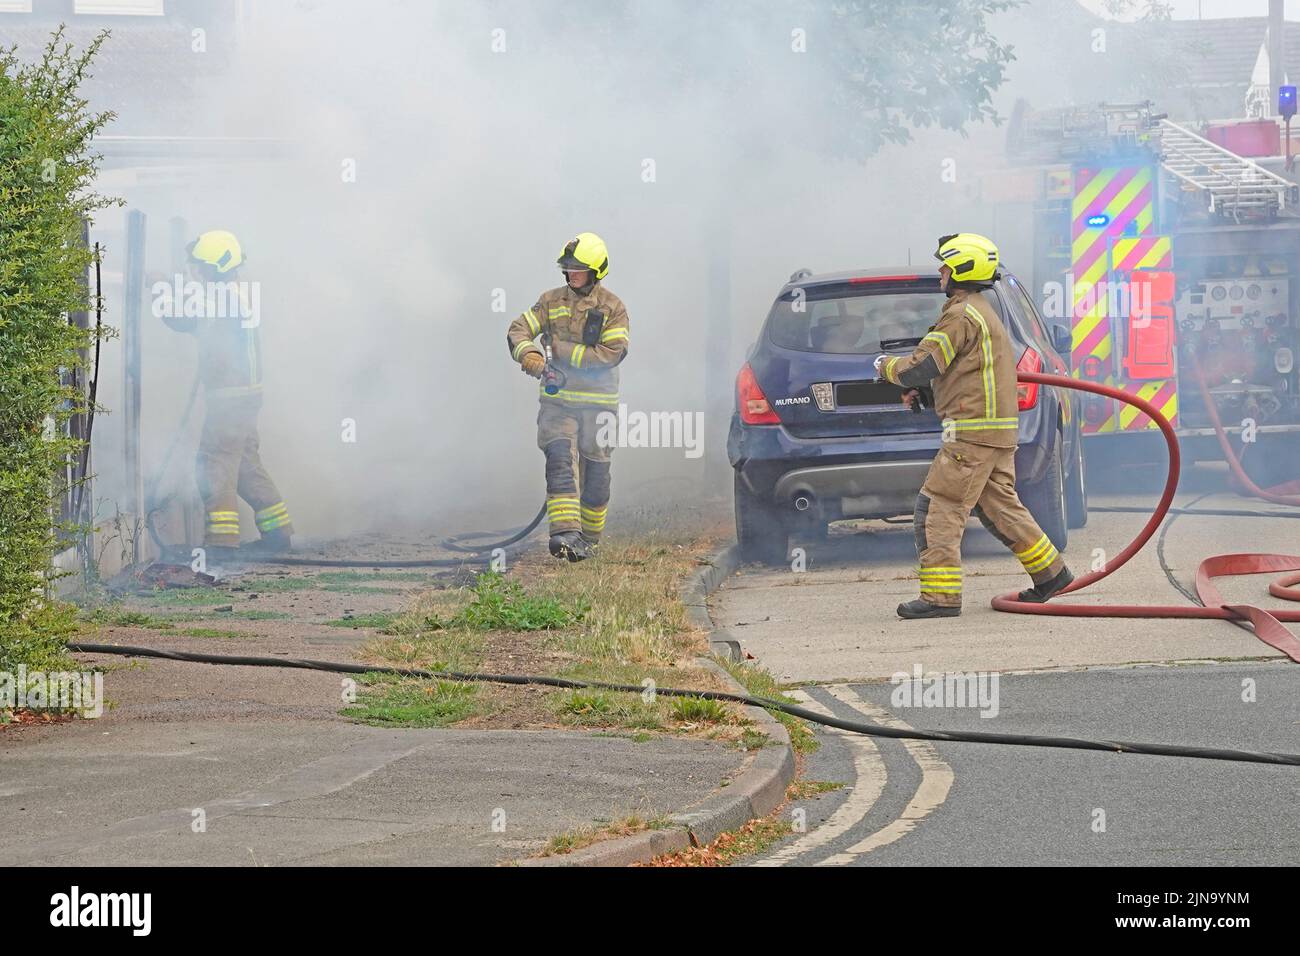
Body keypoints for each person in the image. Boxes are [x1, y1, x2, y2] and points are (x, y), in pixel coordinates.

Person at [876, 233, 1073, 619]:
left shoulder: (961, 314)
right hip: (995, 432)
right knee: (1000, 507)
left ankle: (940, 598)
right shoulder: (982, 310)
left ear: (961, 270)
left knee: (938, 508)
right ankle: (1051, 573)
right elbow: (968, 372)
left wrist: (884, 368)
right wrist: (929, 395)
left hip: (971, 434)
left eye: (945, 266)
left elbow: (924, 363)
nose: (940, 272)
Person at [162, 230, 292, 560]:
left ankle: (221, 545)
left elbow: (183, 320)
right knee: (245, 463)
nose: (194, 270)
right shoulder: (234, 293)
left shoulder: (221, 296)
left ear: (212, 268)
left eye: (198, 265)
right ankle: (278, 533)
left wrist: (157, 292)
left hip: (230, 399)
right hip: (245, 396)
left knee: (213, 463)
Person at [505, 233, 630, 561]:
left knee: (596, 478)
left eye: (579, 269)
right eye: (569, 268)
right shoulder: (549, 301)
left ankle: (588, 541)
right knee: (559, 461)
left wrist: (561, 350)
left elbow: (612, 353)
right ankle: (564, 535)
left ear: (596, 271)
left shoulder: (612, 308)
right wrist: (532, 358)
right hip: (557, 402)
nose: (571, 274)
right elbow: (517, 330)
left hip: (599, 405)